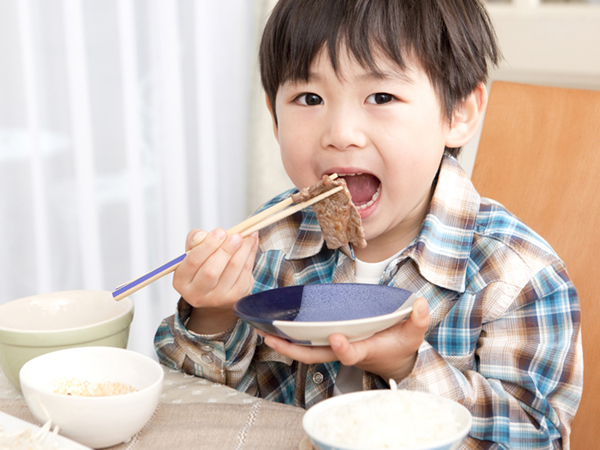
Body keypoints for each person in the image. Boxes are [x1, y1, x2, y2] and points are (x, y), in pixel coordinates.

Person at [154, 0, 583, 448]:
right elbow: (199, 406)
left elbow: (538, 439)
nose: (340, 132)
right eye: (310, 98)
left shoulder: (517, 277)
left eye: (381, 97)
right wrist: (214, 313)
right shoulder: (271, 242)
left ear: (459, 113)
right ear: (274, 116)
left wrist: (407, 365)